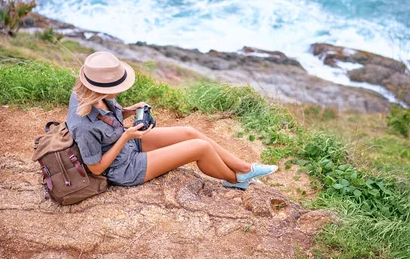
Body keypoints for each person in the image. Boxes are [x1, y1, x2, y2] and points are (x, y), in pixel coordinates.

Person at [66, 51, 277, 189]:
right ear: (100, 88)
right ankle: (234, 181)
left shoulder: (86, 93)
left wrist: (129, 111)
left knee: (189, 132)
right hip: (123, 167)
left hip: (127, 143)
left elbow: (108, 120)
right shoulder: (83, 125)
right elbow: (96, 168)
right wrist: (126, 136)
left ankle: (244, 168)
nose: (120, 90)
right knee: (200, 148)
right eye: (115, 88)